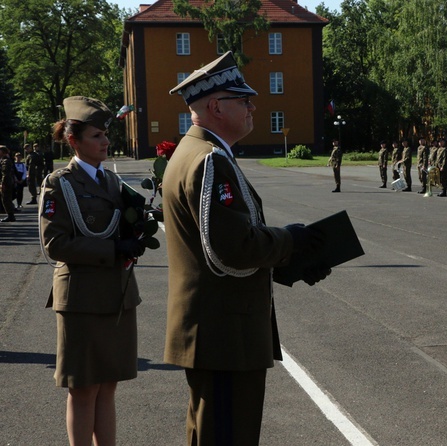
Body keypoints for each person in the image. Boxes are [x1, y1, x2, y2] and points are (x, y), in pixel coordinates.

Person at [163, 51, 330, 445]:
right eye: (244, 100)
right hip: (223, 333)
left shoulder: (199, 153)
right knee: (225, 435)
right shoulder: (209, 160)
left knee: (213, 432)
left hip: (219, 330)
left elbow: (223, 242)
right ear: (216, 106)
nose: (253, 106)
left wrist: (291, 262)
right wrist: (292, 240)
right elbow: (230, 250)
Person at [40, 96, 145, 445]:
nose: (105, 142)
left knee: (108, 386)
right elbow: (55, 244)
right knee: (83, 389)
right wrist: (112, 248)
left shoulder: (112, 182)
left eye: (105, 135)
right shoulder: (59, 183)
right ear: (74, 140)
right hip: (82, 298)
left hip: (116, 293)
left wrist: (135, 236)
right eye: (97, 136)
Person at [0, 145, 16, 222]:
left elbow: (5, 174)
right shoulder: (4, 160)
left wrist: (3, 184)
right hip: (8, 181)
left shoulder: (5, 161)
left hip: (6, 182)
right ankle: (10, 214)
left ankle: (10, 215)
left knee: (6, 199)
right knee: (6, 199)